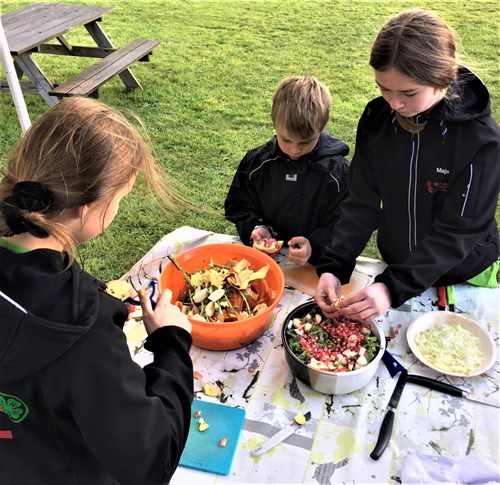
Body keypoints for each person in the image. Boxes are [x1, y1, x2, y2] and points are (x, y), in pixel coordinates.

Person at [0, 97, 193, 484]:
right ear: (87, 208)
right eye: (120, 199)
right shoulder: (81, 331)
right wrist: (172, 342)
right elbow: (151, 460)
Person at [315, 8, 500, 321]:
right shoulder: (377, 119)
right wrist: (335, 264)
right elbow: (360, 201)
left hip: (465, 273)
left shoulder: (481, 140)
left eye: (408, 92)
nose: (394, 103)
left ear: (444, 78)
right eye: (383, 87)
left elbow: (459, 229)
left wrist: (393, 287)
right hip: (397, 264)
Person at [224, 76, 350, 266]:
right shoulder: (257, 163)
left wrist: (315, 245)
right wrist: (257, 227)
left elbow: (347, 222)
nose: (294, 150)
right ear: (275, 126)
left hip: (315, 263)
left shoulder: (338, 172)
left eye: (306, 142)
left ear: (321, 129)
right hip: (265, 259)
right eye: (286, 140)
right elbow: (238, 205)